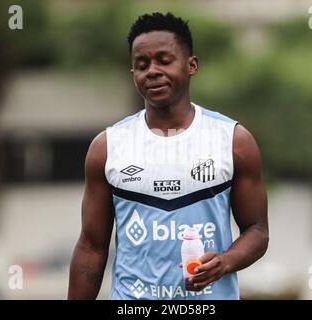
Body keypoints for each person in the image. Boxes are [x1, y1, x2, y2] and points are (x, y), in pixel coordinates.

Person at [68, 12, 268, 300]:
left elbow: (258, 231)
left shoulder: (233, 140)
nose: (152, 71)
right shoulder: (108, 147)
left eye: (164, 60)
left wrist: (225, 261)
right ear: (133, 73)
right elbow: (91, 247)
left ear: (191, 65)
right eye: (142, 64)